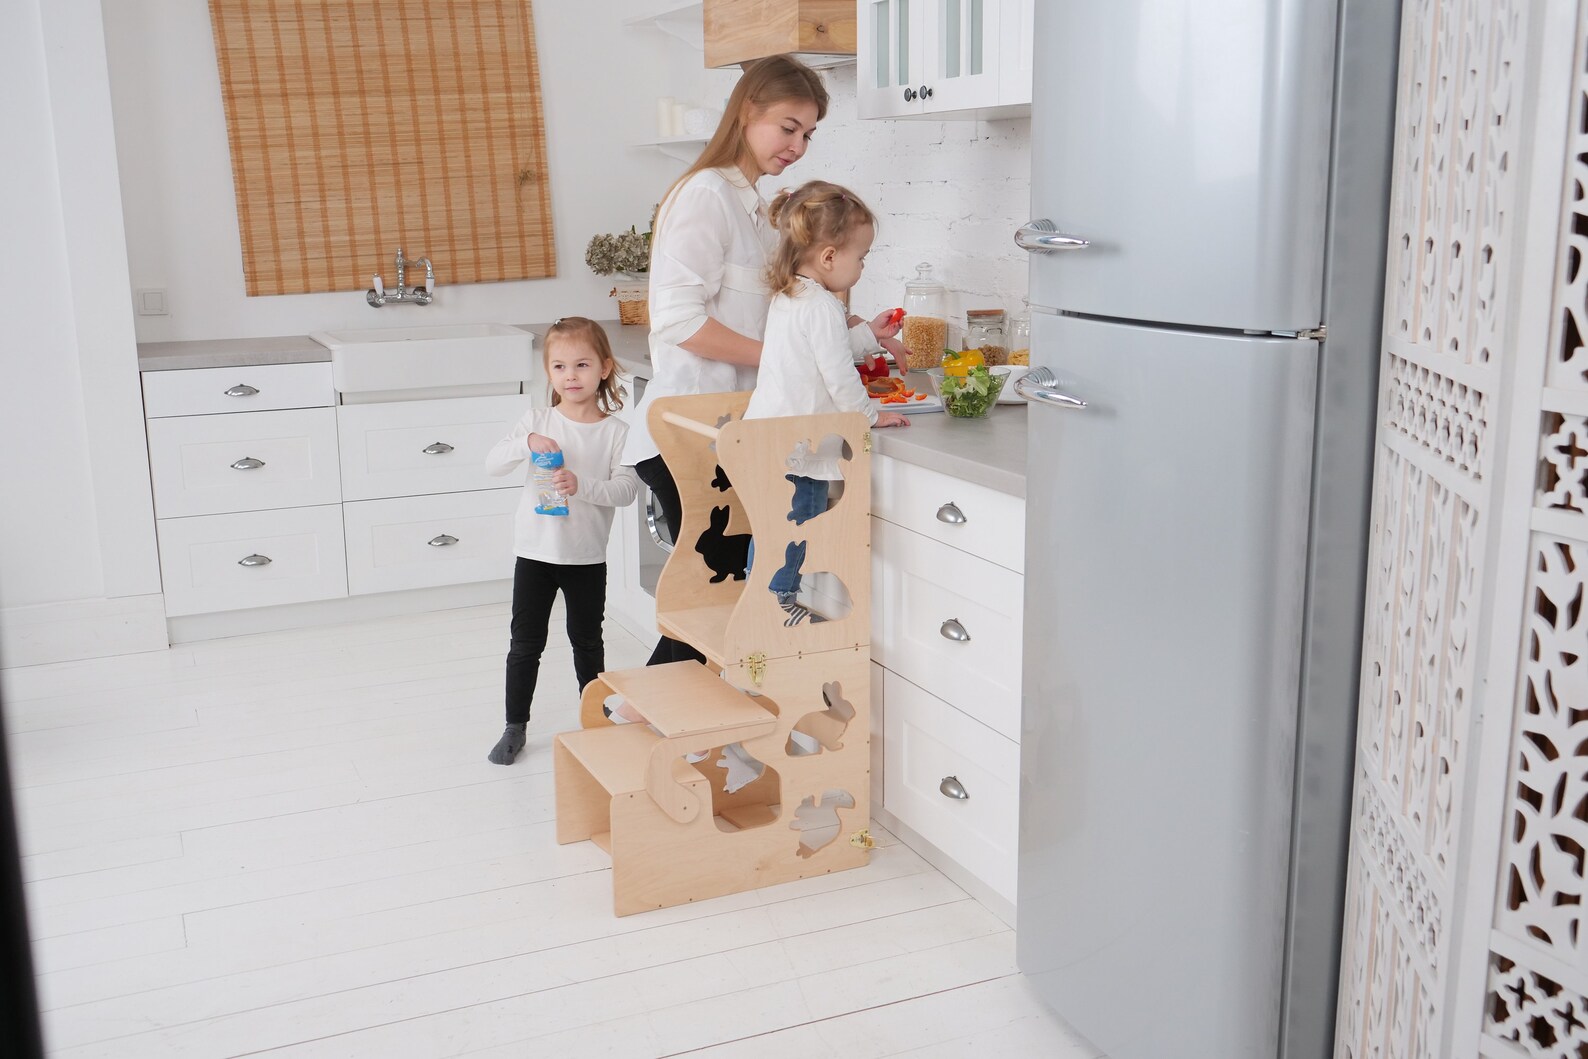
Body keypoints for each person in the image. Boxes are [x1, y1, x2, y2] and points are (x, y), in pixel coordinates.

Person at [621, 54, 905, 672]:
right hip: (690, 437)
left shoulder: (753, 204)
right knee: (717, 607)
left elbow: (782, 315)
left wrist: (850, 333)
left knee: (729, 605)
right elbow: (679, 322)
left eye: (808, 133)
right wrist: (786, 360)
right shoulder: (705, 197)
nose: (798, 146)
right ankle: (640, 720)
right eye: (788, 127)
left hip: (733, 433)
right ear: (748, 112)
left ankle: (666, 725)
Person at [745, 181, 910, 626]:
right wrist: (871, 418)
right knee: (800, 523)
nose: (862, 268)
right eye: (861, 257)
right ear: (830, 257)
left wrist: (868, 335)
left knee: (772, 524)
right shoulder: (821, 306)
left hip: (770, 434)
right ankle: (775, 604)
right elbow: (838, 376)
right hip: (800, 446)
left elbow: (821, 352)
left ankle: (759, 596)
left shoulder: (793, 296)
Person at [484, 318, 639, 765]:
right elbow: (493, 464)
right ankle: (515, 726)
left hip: (586, 557)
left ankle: (596, 720)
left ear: (605, 368)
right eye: (559, 366)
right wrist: (525, 443)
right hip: (534, 554)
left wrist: (581, 485)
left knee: (587, 642)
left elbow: (626, 492)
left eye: (582, 364)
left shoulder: (616, 433)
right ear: (548, 373)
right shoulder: (538, 421)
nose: (571, 376)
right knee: (525, 644)